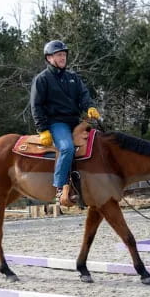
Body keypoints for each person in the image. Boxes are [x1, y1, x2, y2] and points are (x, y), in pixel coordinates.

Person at [30, 40, 101, 207]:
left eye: (64, 55)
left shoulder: (73, 78)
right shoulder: (42, 79)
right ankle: (60, 187)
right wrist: (43, 129)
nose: (63, 58)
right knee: (67, 148)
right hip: (56, 123)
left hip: (75, 122)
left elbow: (83, 95)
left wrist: (89, 106)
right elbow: (36, 105)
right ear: (49, 58)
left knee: (100, 143)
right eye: (59, 55)